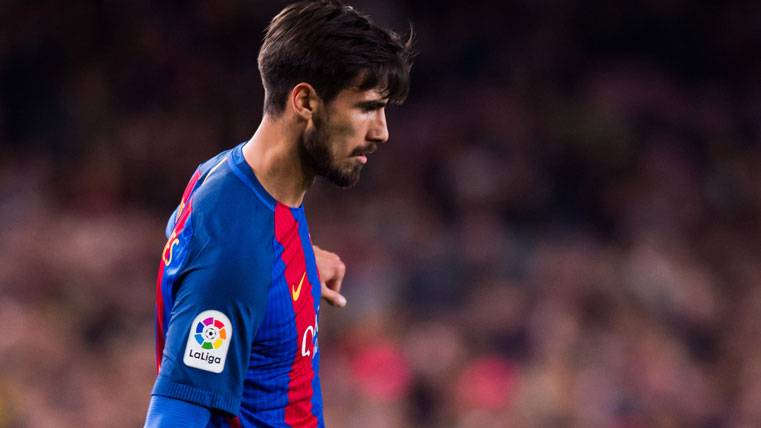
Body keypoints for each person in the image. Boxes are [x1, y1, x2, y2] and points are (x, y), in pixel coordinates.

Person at [144, 1, 414, 426]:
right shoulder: (237, 244)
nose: (381, 131)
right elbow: (177, 410)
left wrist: (297, 263)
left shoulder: (224, 175)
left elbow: (200, 250)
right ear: (305, 101)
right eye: (366, 107)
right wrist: (257, 265)